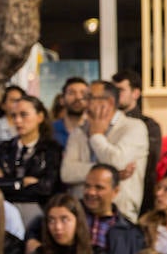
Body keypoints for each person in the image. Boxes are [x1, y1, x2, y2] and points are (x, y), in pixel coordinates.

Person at [60, 80, 148, 222]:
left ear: (109, 102)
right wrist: (110, 173)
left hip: (119, 214)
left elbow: (116, 162)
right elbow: (67, 173)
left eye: (89, 98)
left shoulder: (133, 127)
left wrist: (96, 136)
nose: (84, 103)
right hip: (82, 213)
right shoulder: (80, 131)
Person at [0, 95, 62, 227]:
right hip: (5, 209)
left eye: (24, 115)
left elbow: (47, 187)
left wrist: (7, 183)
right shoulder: (5, 148)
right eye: (14, 116)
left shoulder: (51, 149)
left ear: (40, 117)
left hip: (39, 211)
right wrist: (21, 182)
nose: (18, 121)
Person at [80, 164, 145, 254]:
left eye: (99, 187)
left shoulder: (131, 232)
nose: (91, 192)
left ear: (115, 191)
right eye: (87, 186)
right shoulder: (69, 217)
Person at [113, 69, 162, 214]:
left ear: (136, 93)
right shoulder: (106, 125)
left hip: (139, 198)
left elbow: (150, 165)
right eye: (113, 90)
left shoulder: (149, 126)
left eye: (121, 90)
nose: (115, 95)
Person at [50, 78, 89, 148]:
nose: (78, 97)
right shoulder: (50, 131)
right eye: (72, 93)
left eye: (83, 93)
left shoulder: (95, 131)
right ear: (62, 100)